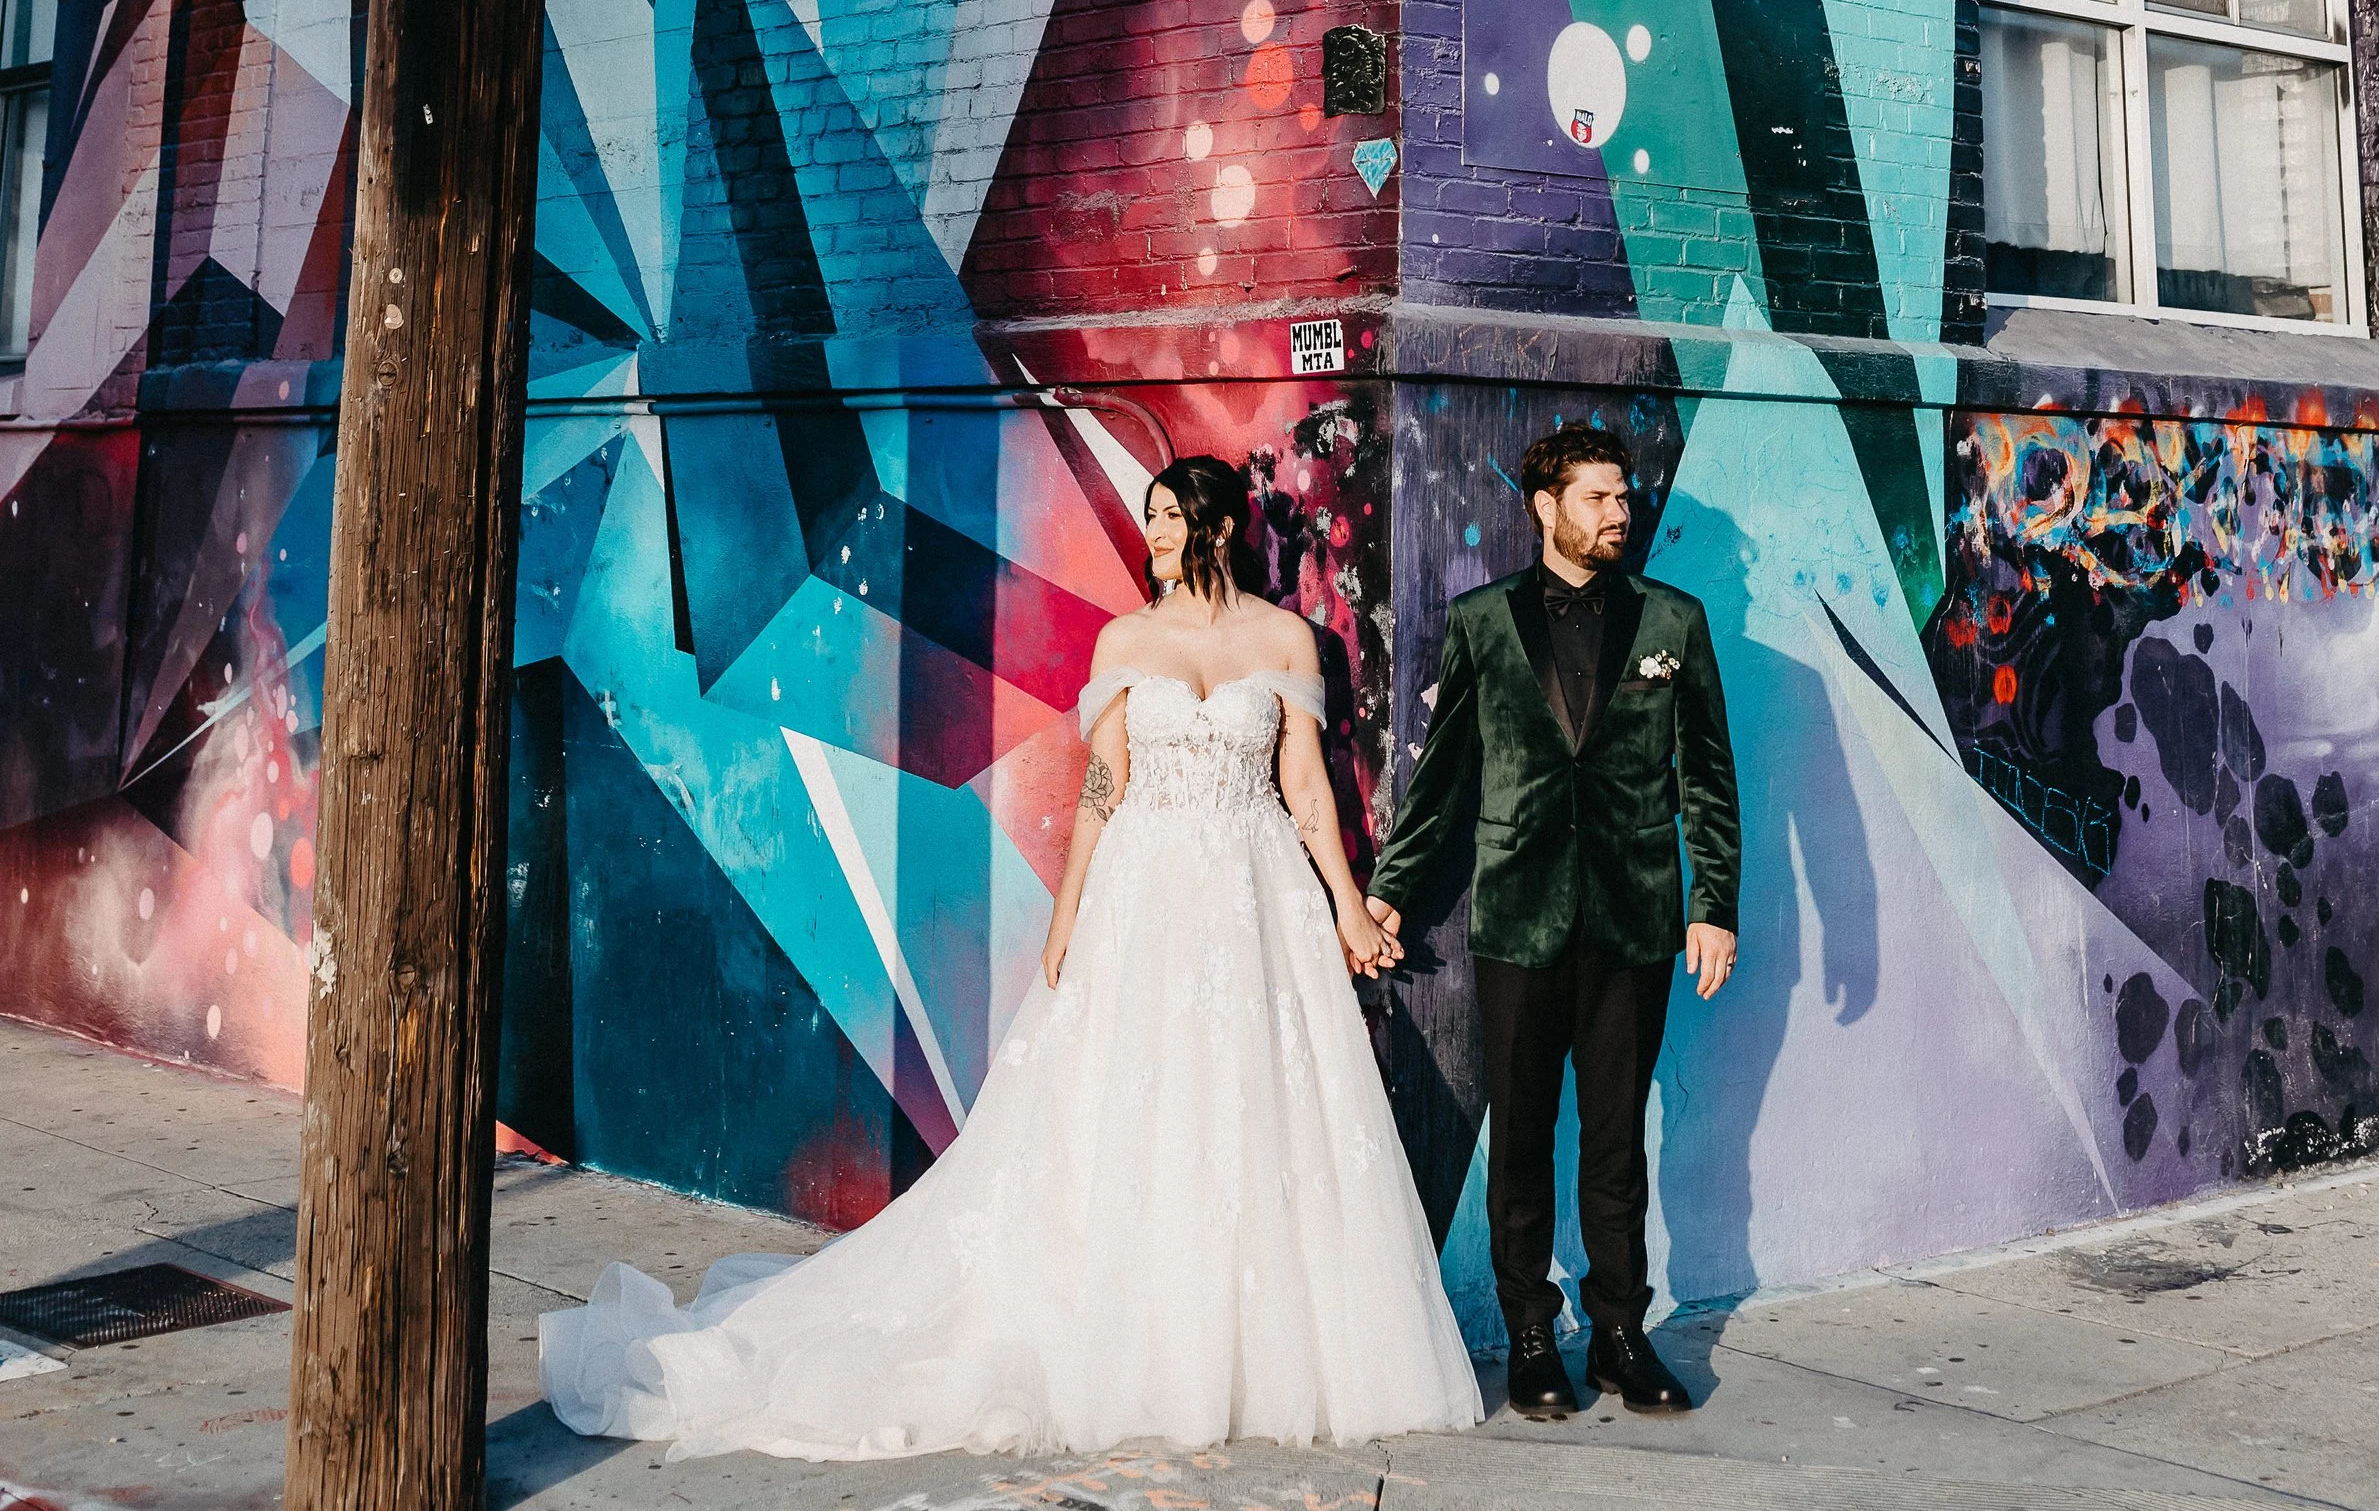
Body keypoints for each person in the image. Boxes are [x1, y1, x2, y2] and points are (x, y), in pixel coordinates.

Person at [540, 456, 1481, 1458]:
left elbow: (1302, 775)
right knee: (1135, 1096)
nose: (1153, 534)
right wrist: (1069, 913)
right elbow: (1103, 784)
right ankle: (1145, 1338)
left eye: (1168, 519)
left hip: (1254, 887)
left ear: (1213, 526)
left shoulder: (1283, 636)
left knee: (1261, 1098)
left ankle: (1254, 1351)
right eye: (1152, 517)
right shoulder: (1127, 638)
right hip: (1147, 888)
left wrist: (1343, 902)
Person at [1364, 421, 1740, 1424]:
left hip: (1634, 919)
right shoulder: (1483, 620)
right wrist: (1390, 887)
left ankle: (1620, 1332)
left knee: (1618, 1141)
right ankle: (1533, 1334)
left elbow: (1705, 777)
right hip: (1518, 917)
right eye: (1598, 498)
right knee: (1522, 1138)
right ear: (1545, 508)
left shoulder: (1674, 621)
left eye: (1624, 498)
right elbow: (1442, 772)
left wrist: (1714, 907)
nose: (1619, 513)